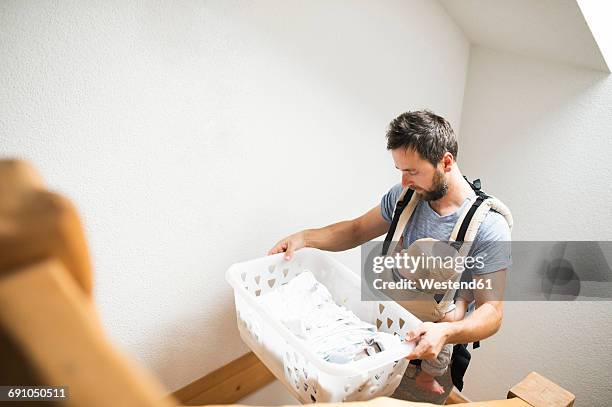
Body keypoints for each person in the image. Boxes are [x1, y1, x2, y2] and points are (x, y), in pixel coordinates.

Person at [268, 110, 511, 404]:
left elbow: (492, 313)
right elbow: (356, 229)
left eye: (412, 171)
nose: (404, 181)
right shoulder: (403, 197)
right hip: (379, 340)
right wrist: (305, 238)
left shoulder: (488, 226)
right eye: (400, 169)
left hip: (433, 356)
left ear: (446, 162)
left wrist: (446, 333)